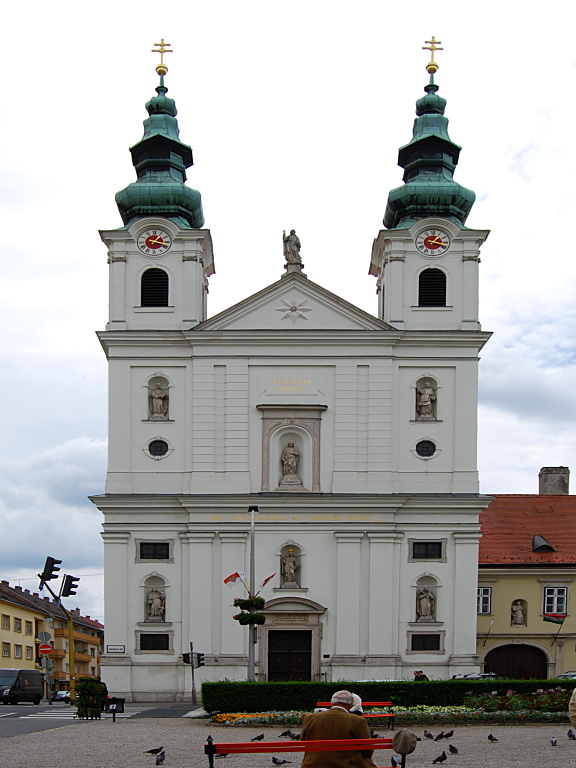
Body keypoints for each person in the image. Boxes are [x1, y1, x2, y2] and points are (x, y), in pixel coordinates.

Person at [301, 690, 377, 768]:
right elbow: (368, 749)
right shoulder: (357, 721)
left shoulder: (310, 718)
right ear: (350, 704)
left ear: (332, 702)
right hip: (346, 765)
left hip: (312, 765)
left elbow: (303, 740)